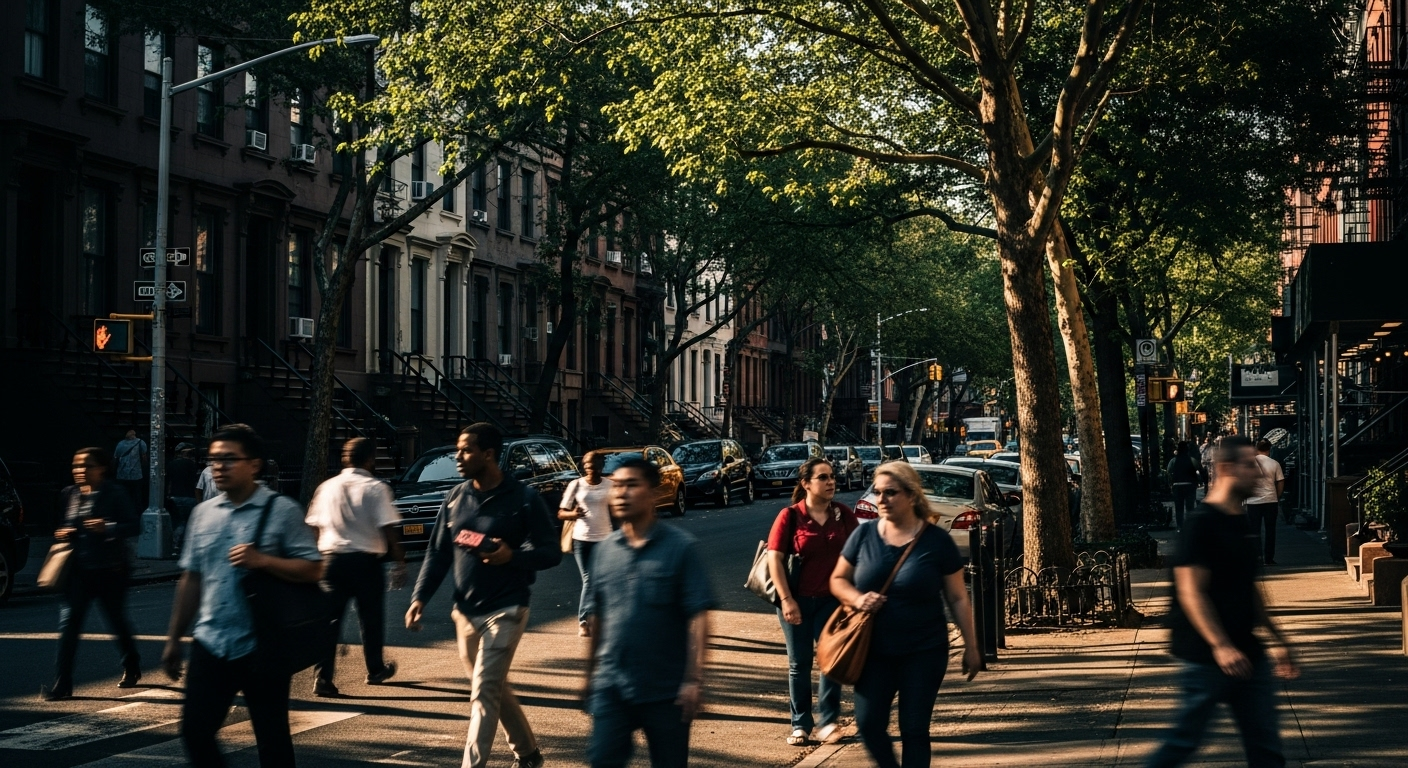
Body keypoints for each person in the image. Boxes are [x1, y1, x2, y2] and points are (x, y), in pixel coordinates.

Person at [161, 424, 323, 768]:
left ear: (254, 464)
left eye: (229, 459)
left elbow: (313, 569)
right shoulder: (202, 514)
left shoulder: (281, 511)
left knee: (272, 740)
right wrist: (174, 637)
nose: (219, 466)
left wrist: (262, 560)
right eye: (214, 459)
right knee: (195, 732)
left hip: (262, 644)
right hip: (211, 641)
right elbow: (191, 578)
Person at [407, 423, 560, 768]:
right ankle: (529, 753)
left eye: (465, 450)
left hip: (506, 608)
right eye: (457, 450)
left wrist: (513, 557)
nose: (457, 457)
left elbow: (551, 552)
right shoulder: (456, 497)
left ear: (488, 455)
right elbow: (438, 553)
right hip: (465, 611)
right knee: (492, 687)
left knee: (483, 691)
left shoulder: (524, 499)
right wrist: (420, 597)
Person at [1146, 436, 1299, 768]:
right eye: (1250, 466)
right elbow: (1191, 591)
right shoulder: (1201, 524)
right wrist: (1221, 645)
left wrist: (1279, 639)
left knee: (1267, 750)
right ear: (1227, 469)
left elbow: (1250, 588)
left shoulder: (1239, 521)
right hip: (1206, 659)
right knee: (1182, 743)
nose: (1258, 473)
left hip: (1249, 654)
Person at [830, 461, 981, 768]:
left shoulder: (936, 542)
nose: (881, 499)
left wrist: (972, 646)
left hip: (924, 650)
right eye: (877, 492)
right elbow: (838, 580)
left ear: (911, 496)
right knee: (869, 725)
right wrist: (858, 599)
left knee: (913, 729)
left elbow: (957, 597)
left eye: (890, 493)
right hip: (873, 651)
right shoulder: (864, 535)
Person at [582, 456, 715, 768]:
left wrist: (694, 680)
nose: (620, 493)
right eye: (616, 486)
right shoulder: (604, 551)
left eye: (631, 485)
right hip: (612, 685)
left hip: (666, 691)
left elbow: (699, 617)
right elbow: (596, 617)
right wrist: (589, 676)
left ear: (653, 494)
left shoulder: (680, 548)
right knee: (602, 759)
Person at [767, 457, 857, 746]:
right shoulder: (790, 516)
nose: (831, 482)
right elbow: (775, 560)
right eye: (823, 477)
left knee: (831, 661)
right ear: (806, 483)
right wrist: (787, 599)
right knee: (799, 663)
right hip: (797, 600)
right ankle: (800, 724)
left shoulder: (843, 514)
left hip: (833, 602)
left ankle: (828, 721)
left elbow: (860, 554)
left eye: (832, 476)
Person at [305, 437, 406, 697]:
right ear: (370, 459)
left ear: (345, 458)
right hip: (365, 562)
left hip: (331, 560)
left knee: (329, 622)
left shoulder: (326, 487)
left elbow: (314, 526)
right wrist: (399, 562)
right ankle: (374, 669)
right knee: (370, 618)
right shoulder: (376, 488)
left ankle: (323, 678)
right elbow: (388, 527)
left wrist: (316, 559)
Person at [42, 447, 142, 701]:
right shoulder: (70, 494)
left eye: (86, 465)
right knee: (68, 628)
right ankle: (62, 683)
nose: (79, 471)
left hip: (110, 571)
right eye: (76, 466)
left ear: (101, 468)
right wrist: (65, 532)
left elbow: (133, 525)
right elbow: (65, 524)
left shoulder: (115, 493)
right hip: (77, 572)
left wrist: (107, 527)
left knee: (116, 622)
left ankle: (131, 665)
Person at [559, 450, 613, 637]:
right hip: (581, 540)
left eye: (593, 465)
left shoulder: (610, 485)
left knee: (601, 580)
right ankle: (583, 620)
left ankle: (600, 617)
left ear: (601, 466)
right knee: (589, 579)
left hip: (605, 539)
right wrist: (573, 514)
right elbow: (561, 512)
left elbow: (618, 510)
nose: (589, 469)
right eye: (586, 465)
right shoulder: (576, 485)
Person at [1246, 439, 1285, 566]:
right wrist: (1277, 496)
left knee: (1254, 530)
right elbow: (1280, 481)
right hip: (1270, 500)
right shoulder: (1274, 464)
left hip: (1252, 501)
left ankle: (1257, 557)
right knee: (1270, 530)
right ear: (1269, 449)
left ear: (1257, 449)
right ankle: (1269, 558)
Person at [168, 443, 201, 546]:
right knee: (188, 521)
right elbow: (195, 482)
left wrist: (168, 495)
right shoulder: (192, 465)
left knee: (177, 521)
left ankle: (175, 542)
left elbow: (169, 482)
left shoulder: (172, 464)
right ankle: (184, 543)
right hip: (189, 496)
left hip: (175, 496)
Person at [1167, 442, 1201, 531]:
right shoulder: (1192, 460)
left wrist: (1171, 483)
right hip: (1190, 485)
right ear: (1187, 450)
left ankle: (1180, 526)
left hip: (1177, 486)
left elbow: (1168, 472)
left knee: (1179, 507)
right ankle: (1190, 526)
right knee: (1190, 507)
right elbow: (1198, 470)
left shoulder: (1173, 461)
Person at [114, 428, 148, 508]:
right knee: (136, 497)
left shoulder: (120, 444)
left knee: (123, 496)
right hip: (136, 475)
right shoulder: (140, 442)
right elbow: (144, 458)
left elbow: (115, 458)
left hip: (122, 474)